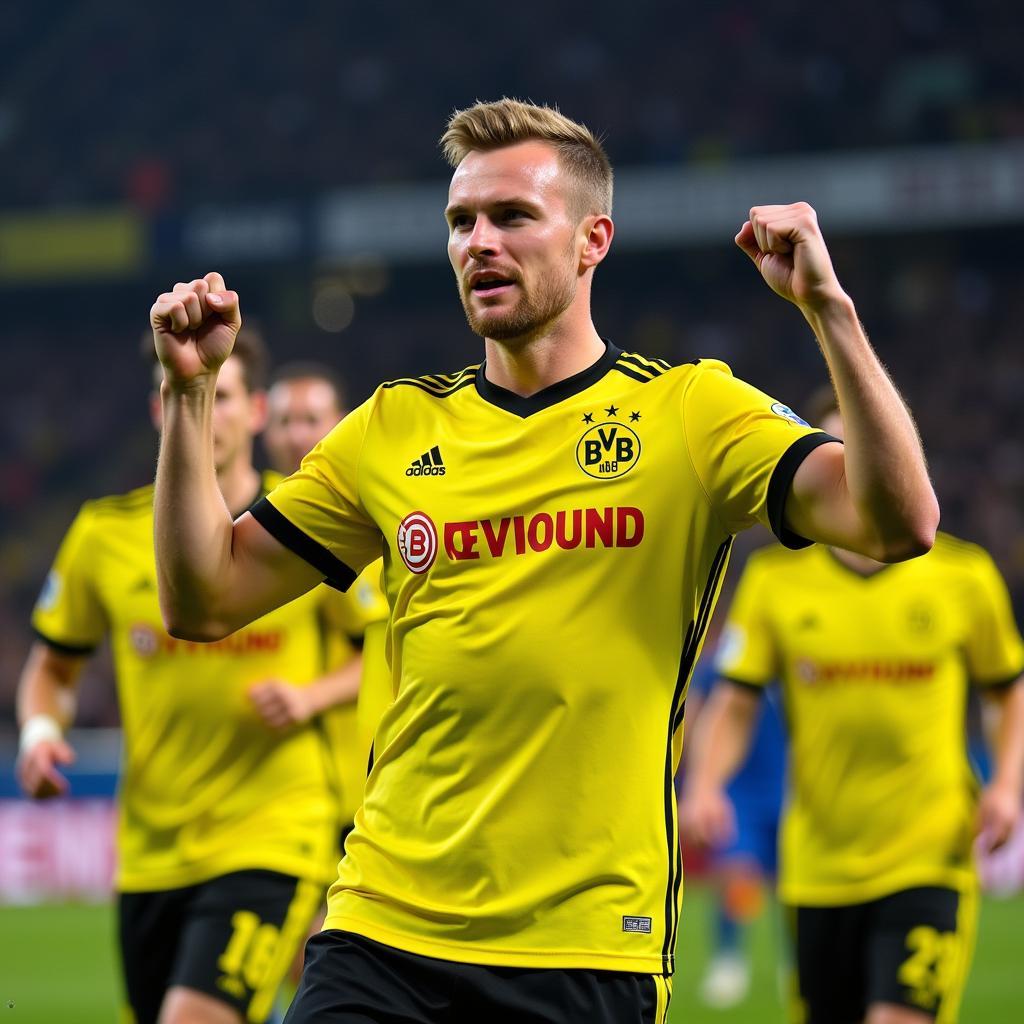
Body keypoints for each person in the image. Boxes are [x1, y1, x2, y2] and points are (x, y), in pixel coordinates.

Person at [149, 98, 939, 1023]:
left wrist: (829, 314)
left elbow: (897, 522)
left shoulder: (690, 414)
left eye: (513, 217)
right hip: (382, 930)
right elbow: (205, 599)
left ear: (591, 239)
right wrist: (191, 395)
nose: (479, 242)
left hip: (586, 947)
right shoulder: (394, 428)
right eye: (461, 222)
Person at [15, 331, 342, 1024]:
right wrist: (41, 731)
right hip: (150, 852)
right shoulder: (103, 535)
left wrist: (314, 694)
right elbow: (51, 668)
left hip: (273, 831)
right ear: (161, 409)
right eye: (182, 394)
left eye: (220, 396)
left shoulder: (308, 520)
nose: (204, 412)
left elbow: (382, 645)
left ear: (255, 411)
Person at [680, 394, 1024, 1024]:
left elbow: (1007, 692)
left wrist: (1005, 784)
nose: (856, 471)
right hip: (817, 862)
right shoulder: (776, 585)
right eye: (838, 455)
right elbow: (734, 701)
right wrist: (704, 782)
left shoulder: (964, 578)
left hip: (929, 853)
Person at [258, 361, 390, 837]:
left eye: (311, 420)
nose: (296, 435)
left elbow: (382, 650)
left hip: (348, 784)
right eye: (284, 421)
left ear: (342, 422)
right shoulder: (257, 525)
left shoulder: (361, 526)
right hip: (275, 795)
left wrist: (308, 697)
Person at [680, 650, 786, 1008]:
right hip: (735, 789)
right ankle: (728, 959)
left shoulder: (793, 657)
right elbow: (693, 717)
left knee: (792, 885)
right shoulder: (721, 666)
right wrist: (694, 783)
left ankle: (794, 963)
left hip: (788, 787)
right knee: (737, 874)